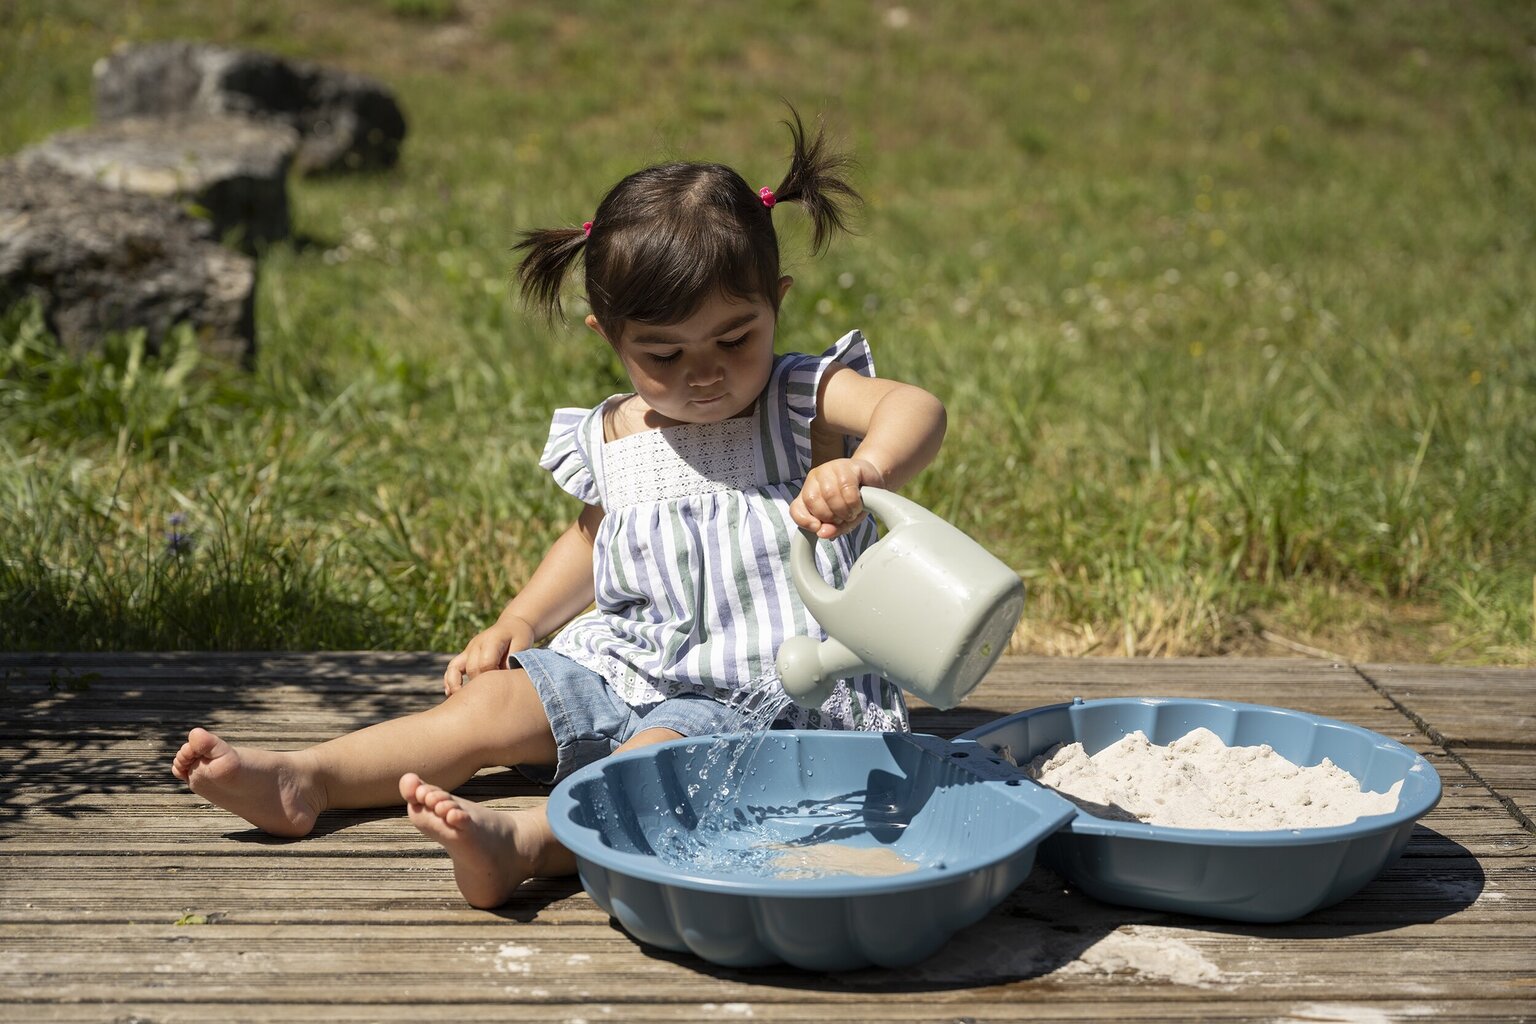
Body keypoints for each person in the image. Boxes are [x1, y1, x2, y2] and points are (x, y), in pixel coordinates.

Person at [171, 108, 947, 908]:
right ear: (609, 335)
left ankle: (529, 842)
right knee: (493, 704)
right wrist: (521, 620)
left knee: (659, 753)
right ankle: (311, 778)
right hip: (632, 661)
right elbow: (591, 540)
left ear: (776, 303)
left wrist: (864, 465)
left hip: (761, 693)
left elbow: (917, 407)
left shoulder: (794, 397)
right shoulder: (614, 431)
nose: (706, 373)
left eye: (734, 338)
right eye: (665, 354)